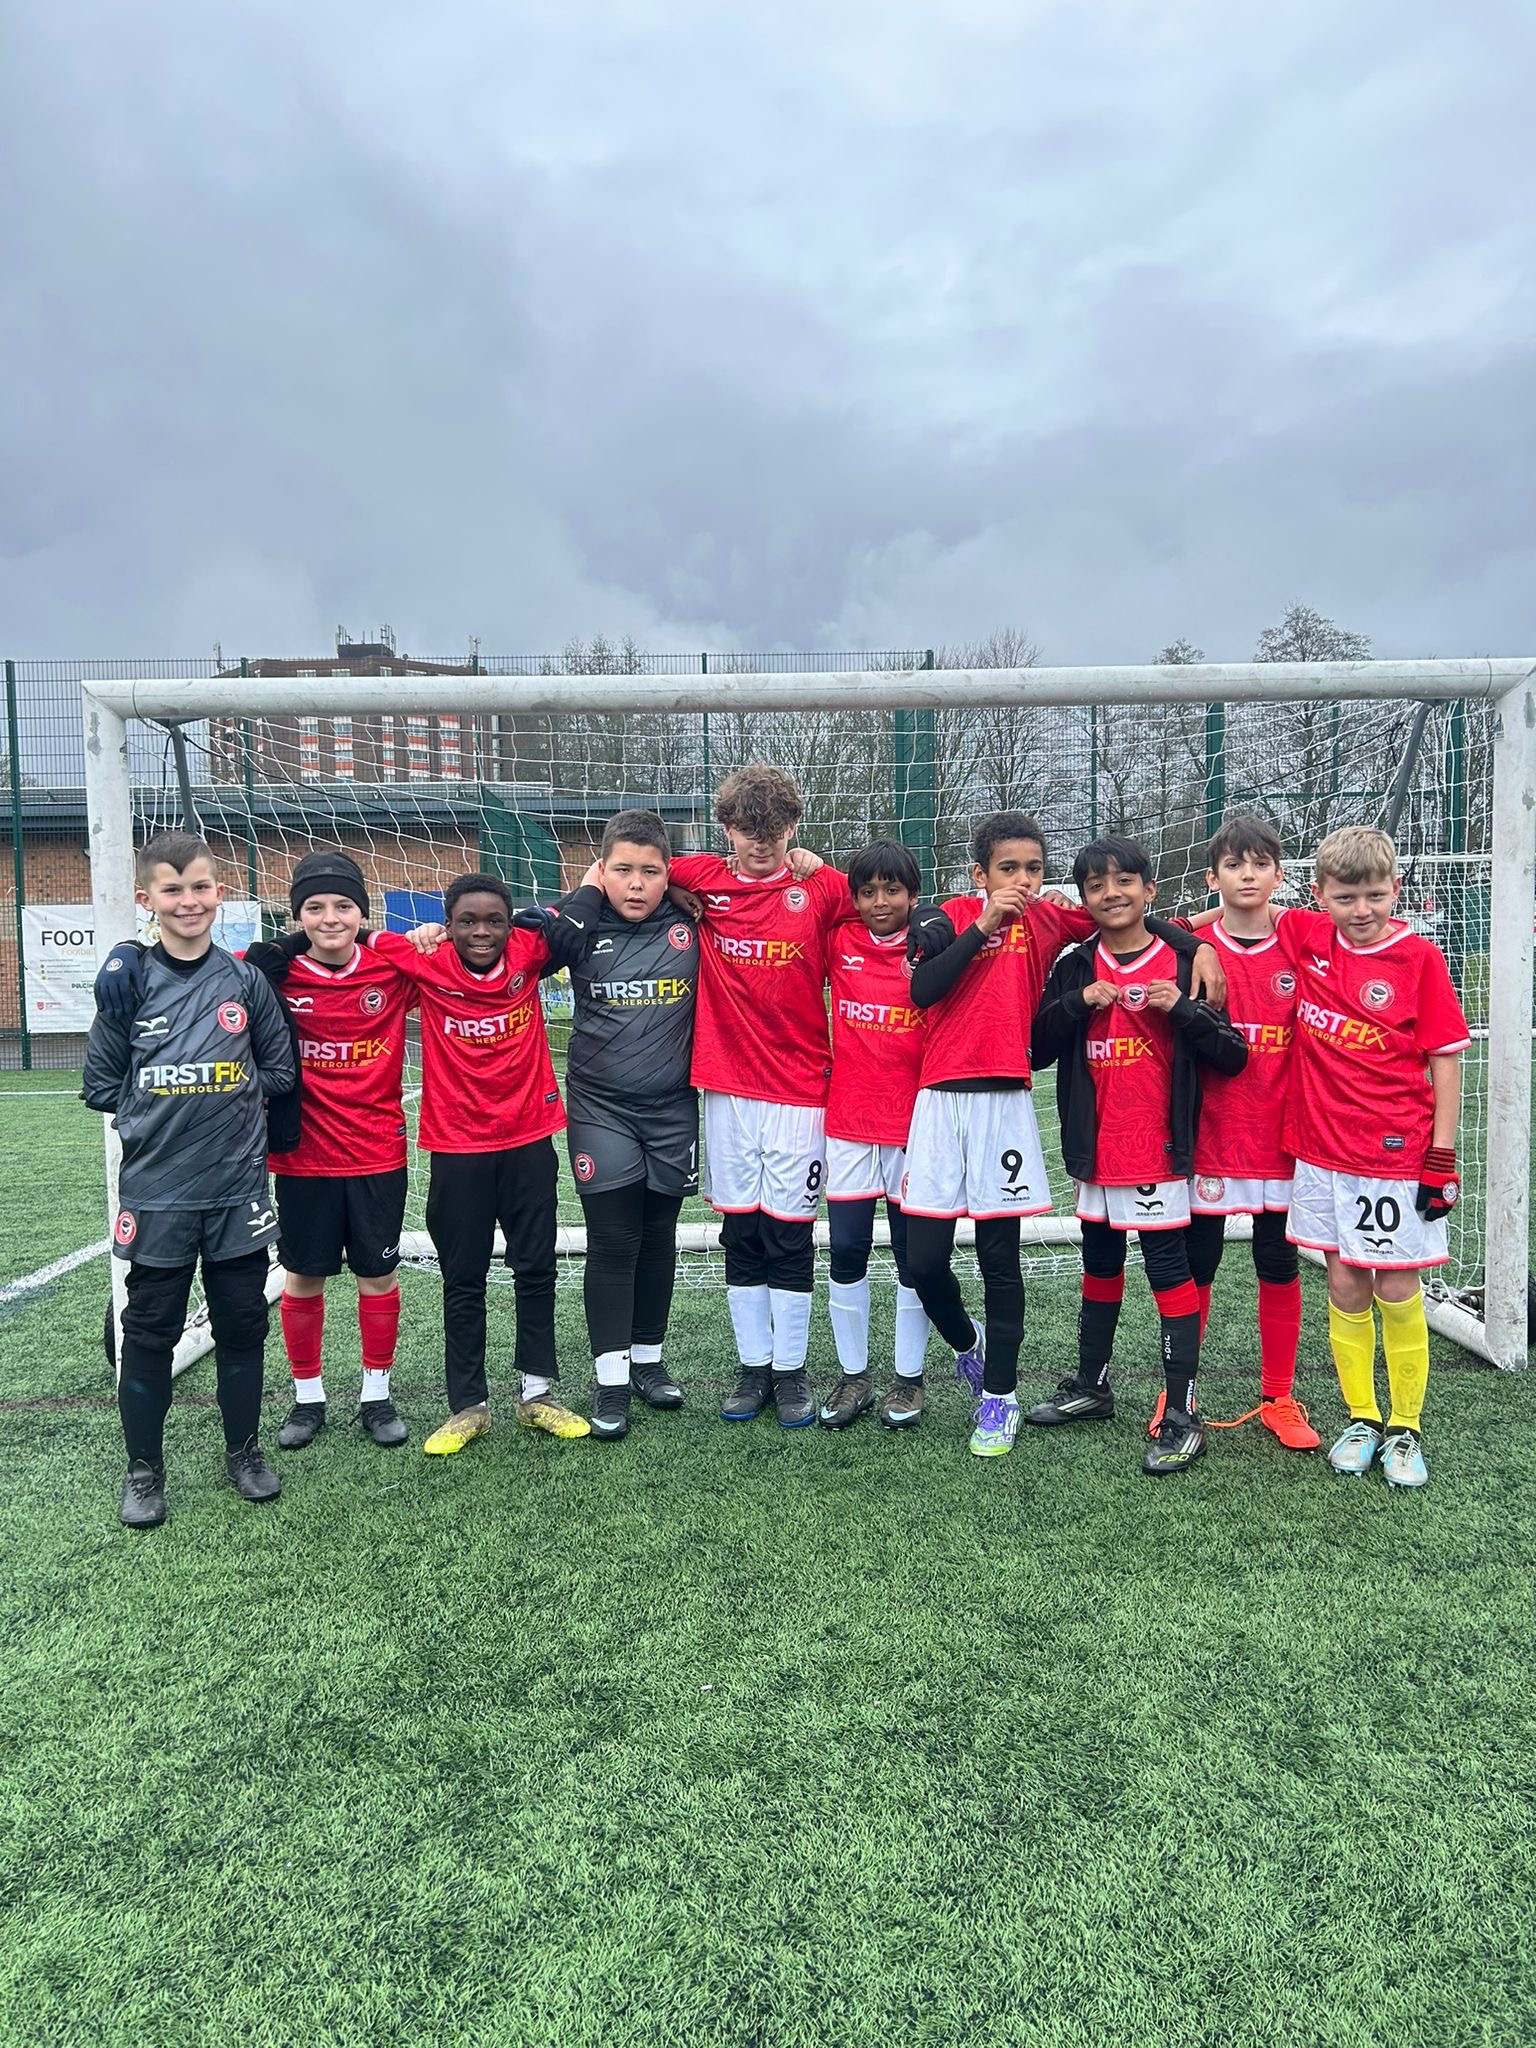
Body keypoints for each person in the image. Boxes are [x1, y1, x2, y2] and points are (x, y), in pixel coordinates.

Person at [902, 812, 1223, 1458]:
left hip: (1006, 1106)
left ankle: (1000, 1399)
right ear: (979, 873)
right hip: (938, 1105)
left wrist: (1201, 945)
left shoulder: (1049, 920)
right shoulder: (948, 914)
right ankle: (969, 1347)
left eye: (1033, 870)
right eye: (1008, 869)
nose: (1022, 881)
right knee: (922, 1262)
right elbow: (923, 990)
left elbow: (1124, 919)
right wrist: (984, 924)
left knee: (1000, 1262)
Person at [84, 831, 295, 1527]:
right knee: (149, 1331)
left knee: (241, 1325)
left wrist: (226, 1102)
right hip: (158, 1194)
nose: (189, 901)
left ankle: (245, 1451)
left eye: (200, 887)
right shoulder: (129, 982)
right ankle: (144, 1469)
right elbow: (100, 1084)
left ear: (220, 893)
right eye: (172, 890)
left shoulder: (243, 981)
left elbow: (281, 1069)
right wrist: (171, 1107)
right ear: (147, 899)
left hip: (237, 1191)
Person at [1028, 836, 1248, 1475]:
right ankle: (1093, 1385)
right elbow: (1036, 1049)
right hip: (1096, 1152)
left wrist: (1183, 1009)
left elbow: (1233, 1057)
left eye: (1124, 881)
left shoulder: (1183, 963)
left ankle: (1181, 1412)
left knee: (1166, 1270)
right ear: (1085, 899)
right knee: (1098, 1262)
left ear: (1150, 891)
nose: (1111, 893)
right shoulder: (1075, 965)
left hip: (1159, 1150)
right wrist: (1078, 1003)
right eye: (1096, 886)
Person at [365, 874, 589, 1452]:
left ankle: (537, 1394)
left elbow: (587, 904)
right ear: (449, 923)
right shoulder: (425, 960)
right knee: (462, 1278)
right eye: (467, 921)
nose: (482, 932)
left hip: (529, 1138)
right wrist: (416, 934)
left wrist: (544, 914)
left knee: (535, 1268)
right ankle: (468, 1405)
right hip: (458, 1147)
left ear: (510, 924)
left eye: (494, 920)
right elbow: (352, 937)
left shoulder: (530, 952)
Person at [1274, 826, 1469, 1488]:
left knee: (1395, 1284)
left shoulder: (1419, 961)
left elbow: (1445, 1061)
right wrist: (1199, 944)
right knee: (1344, 1283)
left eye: (1376, 895)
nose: (1362, 910)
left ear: (1397, 890)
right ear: (1319, 894)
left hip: (1395, 1154)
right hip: (1322, 1153)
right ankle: (1362, 1418)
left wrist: (1441, 1156)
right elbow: (1245, 912)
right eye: (1347, 896)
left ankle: (1406, 1427)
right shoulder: (1307, 938)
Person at [668, 765, 849, 1428]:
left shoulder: (821, 886)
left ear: (793, 827)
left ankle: (792, 1372)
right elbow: (617, 873)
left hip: (802, 1090)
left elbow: (897, 912)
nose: (761, 844)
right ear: (726, 829)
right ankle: (752, 1370)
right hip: (727, 1092)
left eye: (774, 831)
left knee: (790, 1235)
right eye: (748, 831)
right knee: (741, 1232)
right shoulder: (698, 878)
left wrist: (820, 862)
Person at [231, 852, 416, 1453]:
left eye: (343, 906)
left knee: (377, 1274)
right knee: (303, 1277)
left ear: (361, 913)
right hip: (302, 1157)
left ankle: (375, 1393)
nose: (329, 917)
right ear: (298, 916)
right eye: (314, 907)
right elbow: (207, 968)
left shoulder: (390, 970)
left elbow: (458, 958)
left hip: (376, 1153)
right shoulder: (272, 976)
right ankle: (307, 1397)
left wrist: (409, 937)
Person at [526, 811, 698, 1440]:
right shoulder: (577, 926)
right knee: (613, 1238)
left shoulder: (692, 923)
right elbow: (500, 949)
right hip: (600, 1108)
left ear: (667, 874)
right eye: (621, 869)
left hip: (673, 1107)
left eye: (650, 871)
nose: (636, 883)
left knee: (659, 1236)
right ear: (601, 869)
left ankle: (649, 1361)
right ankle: (611, 1377)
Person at [1180, 817, 1316, 1450]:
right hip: (1214, 1133)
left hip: (1281, 1135)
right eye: (1235, 866)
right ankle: (1179, 1393)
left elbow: (1353, 918)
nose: (1248, 875)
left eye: (1261, 864)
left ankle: (1279, 1396)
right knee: (1198, 1259)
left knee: (1276, 1260)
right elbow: (1153, 928)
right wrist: (1200, 938)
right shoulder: (1190, 944)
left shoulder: (1300, 938)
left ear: (1279, 875)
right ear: (1214, 879)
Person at [818, 840, 932, 1429]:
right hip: (850, 1125)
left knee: (914, 1260)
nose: (880, 901)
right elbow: (818, 898)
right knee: (847, 1250)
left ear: (915, 895)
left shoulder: (932, 944)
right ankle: (853, 1377)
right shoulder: (840, 940)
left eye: (893, 890)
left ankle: (908, 1381)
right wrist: (819, 866)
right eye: (867, 891)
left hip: (916, 1127)